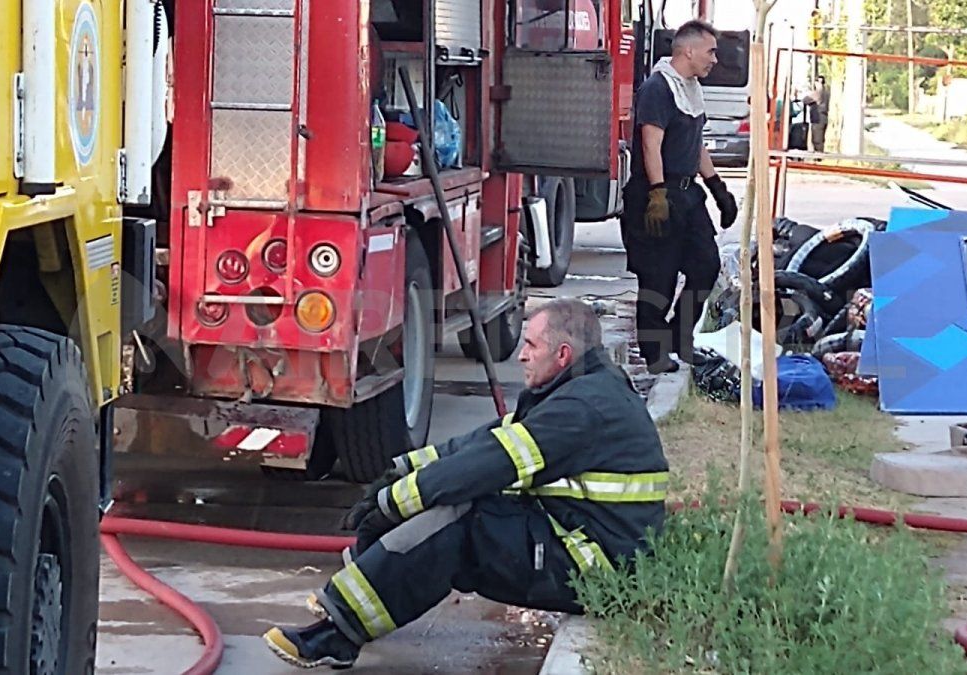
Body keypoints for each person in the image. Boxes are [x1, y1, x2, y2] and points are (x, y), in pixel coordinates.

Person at [263, 299, 669, 669]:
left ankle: (340, 632)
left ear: (562, 355)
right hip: (580, 540)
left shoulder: (581, 407)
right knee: (451, 497)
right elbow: (488, 441)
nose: (522, 355)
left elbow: (490, 463)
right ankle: (371, 583)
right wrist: (404, 470)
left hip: (595, 571)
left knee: (461, 519)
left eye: (530, 345)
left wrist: (394, 503)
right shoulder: (582, 387)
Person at [621, 20, 739, 376]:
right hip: (656, 193)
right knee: (658, 277)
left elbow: (695, 143)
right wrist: (657, 194)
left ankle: (678, 337)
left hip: (689, 195)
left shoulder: (691, 88)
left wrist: (718, 188)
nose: (715, 59)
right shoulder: (658, 87)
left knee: (706, 266)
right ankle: (655, 352)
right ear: (688, 50)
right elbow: (650, 142)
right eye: (710, 51)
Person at [805, 76, 830, 153]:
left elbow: (805, 100)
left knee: (817, 140)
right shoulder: (827, 93)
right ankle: (819, 155)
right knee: (821, 139)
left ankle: (818, 158)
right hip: (824, 117)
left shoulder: (817, 93)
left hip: (817, 118)